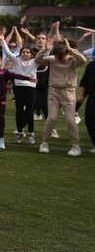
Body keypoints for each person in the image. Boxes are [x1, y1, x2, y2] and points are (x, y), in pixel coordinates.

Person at [36, 25, 86, 156]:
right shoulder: (53, 59)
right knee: (51, 118)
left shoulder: (73, 60)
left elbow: (83, 60)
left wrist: (70, 49)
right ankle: (44, 143)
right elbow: (37, 60)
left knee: (70, 120)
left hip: (68, 92)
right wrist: (44, 50)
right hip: (53, 91)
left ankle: (76, 146)